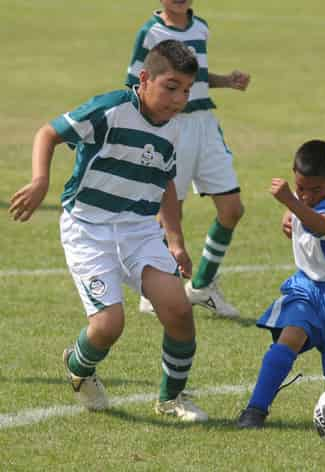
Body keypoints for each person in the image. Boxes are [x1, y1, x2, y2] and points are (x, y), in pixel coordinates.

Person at [9, 40, 208, 422]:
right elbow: (47, 133)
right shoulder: (111, 109)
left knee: (179, 312)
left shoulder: (175, 128)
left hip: (139, 230)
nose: (179, 99)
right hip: (89, 228)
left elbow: (165, 181)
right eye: (171, 87)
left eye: (186, 90)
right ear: (145, 78)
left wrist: (176, 240)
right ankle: (79, 367)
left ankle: (172, 398)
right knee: (108, 325)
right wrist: (39, 180)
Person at [126, 0, 250, 318]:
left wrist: (226, 81)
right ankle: (155, 288)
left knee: (232, 209)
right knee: (170, 211)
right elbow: (134, 83)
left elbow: (195, 77)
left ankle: (202, 286)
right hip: (172, 125)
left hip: (206, 124)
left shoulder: (201, 27)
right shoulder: (150, 33)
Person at [237, 140, 325, 428]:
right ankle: (255, 410)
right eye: (302, 189)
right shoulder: (317, 184)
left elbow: (321, 225)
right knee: (291, 335)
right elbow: (306, 214)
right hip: (307, 288)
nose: (308, 196)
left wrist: (292, 202)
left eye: (315, 191)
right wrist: (292, 213)